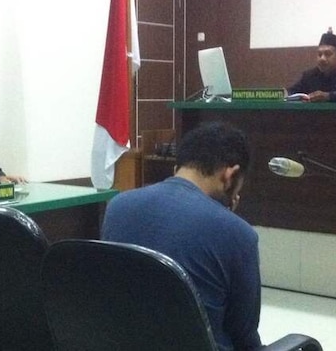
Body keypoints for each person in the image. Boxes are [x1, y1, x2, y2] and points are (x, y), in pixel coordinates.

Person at [102, 122, 262, 351]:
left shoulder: (118, 206)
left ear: (178, 165)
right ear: (230, 175)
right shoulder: (238, 233)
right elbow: (244, 334)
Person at [286, 31, 336, 102]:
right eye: (319, 54)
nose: (322, 59)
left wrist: (329, 96)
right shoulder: (309, 76)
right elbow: (291, 92)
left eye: (328, 54)